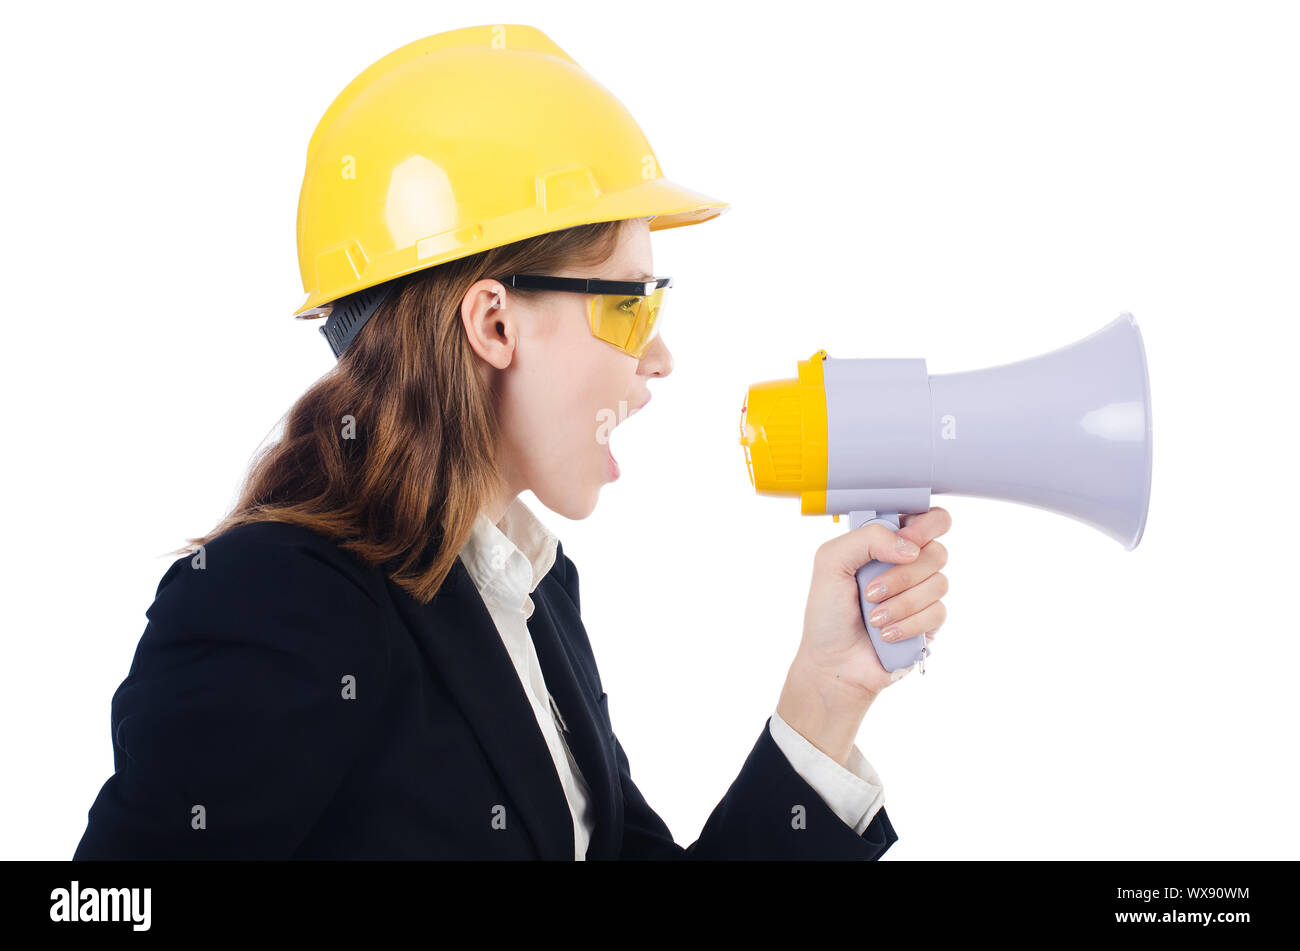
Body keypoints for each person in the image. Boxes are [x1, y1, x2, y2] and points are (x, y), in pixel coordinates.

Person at [73, 24, 949, 861]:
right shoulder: (273, 599)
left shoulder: (528, 594)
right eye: (630, 303)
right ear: (494, 321)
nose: (659, 356)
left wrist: (827, 693)